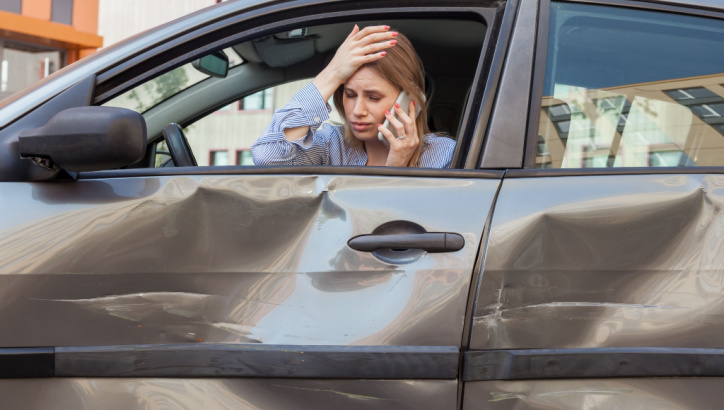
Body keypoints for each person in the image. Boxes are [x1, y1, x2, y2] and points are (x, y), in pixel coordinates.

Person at [251, 25, 456, 168]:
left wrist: (396, 170)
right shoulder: (332, 145)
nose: (357, 111)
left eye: (373, 97)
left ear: (409, 101)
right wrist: (331, 74)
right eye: (349, 94)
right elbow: (268, 156)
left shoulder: (442, 155)